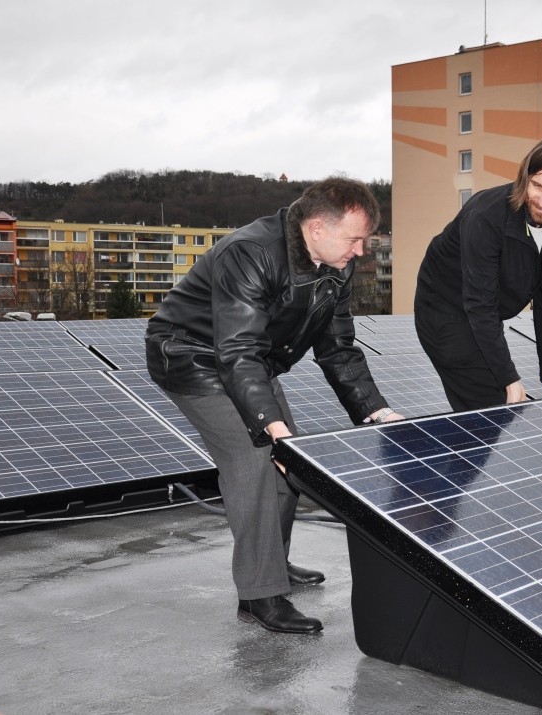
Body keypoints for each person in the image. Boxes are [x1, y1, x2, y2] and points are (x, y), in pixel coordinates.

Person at [145, 178, 402, 634]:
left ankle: (273, 565)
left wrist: (376, 412)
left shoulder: (336, 264)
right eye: (354, 239)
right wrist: (272, 428)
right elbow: (236, 351)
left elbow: (339, 349)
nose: (361, 251)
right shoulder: (251, 252)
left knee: (289, 467)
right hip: (193, 358)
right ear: (317, 227)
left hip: (249, 362)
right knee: (256, 460)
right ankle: (258, 595)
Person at [414, 133, 542, 412]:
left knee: (501, 409)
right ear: (525, 176)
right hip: (445, 311)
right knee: (493, 410)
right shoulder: (487, 215)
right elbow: (480, 304)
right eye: (537, 186)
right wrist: (508, 377)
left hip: (485, 313)